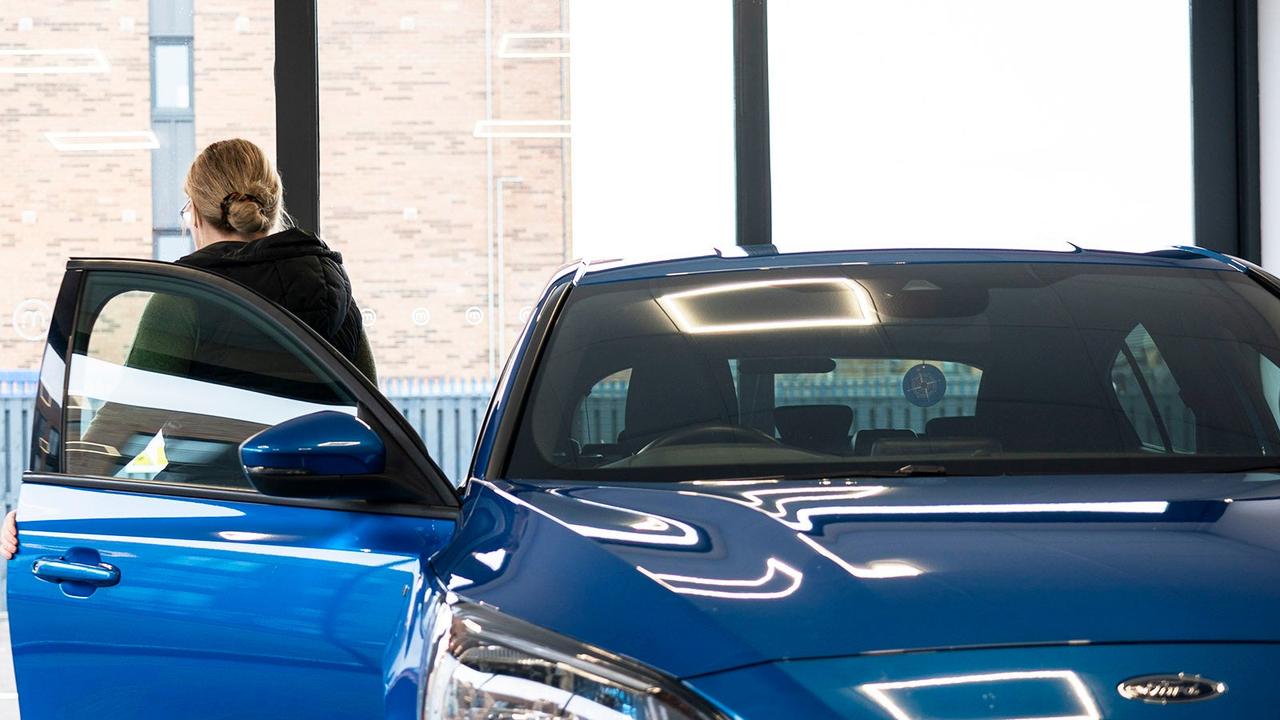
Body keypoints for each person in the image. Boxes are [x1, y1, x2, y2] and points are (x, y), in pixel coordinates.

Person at [1, 138, 375, 560]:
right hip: (330, 530)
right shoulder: (333, 291)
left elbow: (121, 428)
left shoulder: (186, 300)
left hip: (212, 529)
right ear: (270, 207)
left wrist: (42, 511)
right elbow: (373, 419)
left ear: (195, 214)